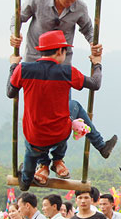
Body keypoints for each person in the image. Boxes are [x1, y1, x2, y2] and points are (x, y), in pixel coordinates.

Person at [9, 0, 116, 159]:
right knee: (38, 114)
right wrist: (15, 34)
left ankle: (57, 159)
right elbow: (18, 19)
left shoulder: (80, 8)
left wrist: (94, 45)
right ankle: (41, 161)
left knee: (64, 112)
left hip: (61, 68)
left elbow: (89, 30)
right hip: (35, 66)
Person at [7, 29, 115, 188]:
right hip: (59, 134)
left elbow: (11, 92)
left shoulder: (23, 70)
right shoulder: (67, 72)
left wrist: (13, 66)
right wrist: (97, 64)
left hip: (34, 136)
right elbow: (95, 84)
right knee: (75, 106)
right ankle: (99, 145)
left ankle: (28, 175)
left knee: (24, 182)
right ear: (59, 51)